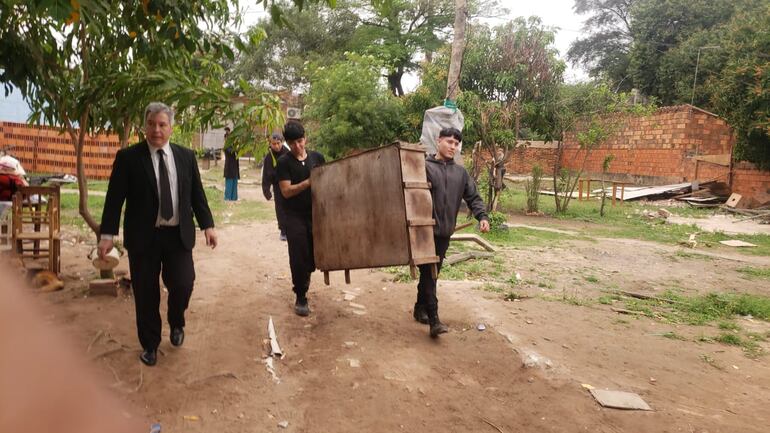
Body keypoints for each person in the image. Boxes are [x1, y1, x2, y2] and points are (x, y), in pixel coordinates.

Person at [98, 102, 218, 366]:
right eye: (151, 124)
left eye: (162, 124)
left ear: (171, 128)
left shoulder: (186, 157)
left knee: (184, 283)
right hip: (144, 237)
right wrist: (107, 234)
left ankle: (177, 322)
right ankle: (150, 344)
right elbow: (114, 199)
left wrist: (207, 225)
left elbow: (197, 195)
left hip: (178, 235)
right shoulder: (129, 158)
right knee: (146, 293)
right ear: (144, 127)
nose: (156, 130)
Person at [414, 127, 490, 338]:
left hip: (444, 233)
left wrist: (482, 217)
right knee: (430, 273)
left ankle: (420, 308)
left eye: (456, 144)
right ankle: (434, 320)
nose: (453, 147)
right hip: (424, 231)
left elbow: (473, 197)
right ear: (438, 141)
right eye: (449, 142)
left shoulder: (460, 173)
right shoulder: (424, 167)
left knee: (431, 273)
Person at [275, 121, 325, 316]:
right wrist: (308, 182)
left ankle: (305, 279)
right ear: (287, 143)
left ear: (305, 138)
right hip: (293, 216)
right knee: (298, 255)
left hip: (315, 214)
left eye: (300, 141)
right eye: (293, 143)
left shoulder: (317, 158)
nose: (297, 146)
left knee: (312, 255)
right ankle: (301, 296)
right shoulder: (284, 163)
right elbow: (286, 191)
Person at [262, 132, 290, 240]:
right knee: (280, 208)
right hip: (277, 187)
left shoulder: (288, 154)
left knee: (290, 207)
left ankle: (290, 228)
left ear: (282, 142)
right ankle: (283, 230)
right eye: (274, 144)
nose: (277, 146)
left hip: (289, 184)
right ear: (270, 144)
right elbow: (266, 176)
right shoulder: (268, 158)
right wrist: (266, 191)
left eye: (278, 143)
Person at [223, 127, 240, 201]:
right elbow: (232, 152)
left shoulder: (234, 146)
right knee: (229, 183)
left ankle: (234, 198)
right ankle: (228, 198)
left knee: (234, 183)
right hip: (230, 168)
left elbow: (237, 151)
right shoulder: (226, 147)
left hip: (235, 168)